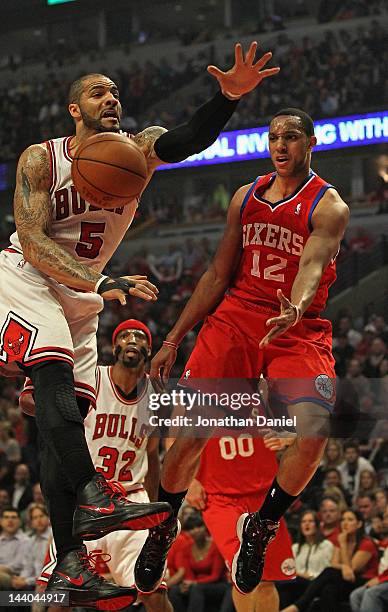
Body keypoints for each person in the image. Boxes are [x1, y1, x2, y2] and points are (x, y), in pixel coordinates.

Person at [0, 41, 279, 608]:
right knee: (53, 367)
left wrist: (225, 99)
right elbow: (32, 238)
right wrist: (102, 282)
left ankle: (68, 564)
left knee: (68, 420)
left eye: (116, 93)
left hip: (80, 296)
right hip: (26, 277)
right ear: (75, 109)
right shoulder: (41, 158)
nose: (112, 99)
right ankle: (95, 494)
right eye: (99, 92)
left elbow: (185, 139)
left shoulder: (137, 149)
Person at [134, 107, 349, 595]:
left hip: (297, 325)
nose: (280, 144)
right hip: (236, 317)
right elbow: (216, 274)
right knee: (188, 435)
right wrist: (173, 338)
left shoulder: (329, 205)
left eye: (291, 137)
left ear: (309, 143)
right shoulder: (245, 196)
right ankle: (164, 526)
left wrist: (294, 305)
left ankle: (263, 523)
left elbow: (312, 264)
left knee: (313, 435)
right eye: (274, 137)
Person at [32, 319, 172, 611]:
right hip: (87, 501)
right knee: (56, 594)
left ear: (149, 349)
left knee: (154, 592)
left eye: (140, 336)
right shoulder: (92, 377)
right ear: (114, 346)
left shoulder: (157, 395)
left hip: (130, 500)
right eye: (125, 335)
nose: (132, 339)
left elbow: (153, 454)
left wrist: (157, 511)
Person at [186, 435, 296, 612]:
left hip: (264, 491)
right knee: (244, 574)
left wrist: (293, 433)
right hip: (219, 495)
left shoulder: (270, 406)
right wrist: (188, 477)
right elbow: (175, 433)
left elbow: (306, 417)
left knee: (266, 582)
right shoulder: (198, 406)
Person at [280, 509, 379, 612]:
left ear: (359, 524)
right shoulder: (296, 547)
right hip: (343, 582)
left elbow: (350, 572)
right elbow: (334, 563)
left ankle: (298, 606)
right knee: (329, 589)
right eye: (343, 520)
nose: (345, 523)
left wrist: (343, 545)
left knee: (329, 572)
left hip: (363, 582)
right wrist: (343, 566)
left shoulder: (366, 543)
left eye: (350, 520)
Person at [277, 510, 333, 608]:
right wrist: (300, 574)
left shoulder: (326, 545)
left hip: (316, 583)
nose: (307, 524)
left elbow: (328, 569)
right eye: (303, 522)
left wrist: (308, 576)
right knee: (284, 587)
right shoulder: (295, 547)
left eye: (310, 521)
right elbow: (288, 569)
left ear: (317, 525)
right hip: (298, 582)